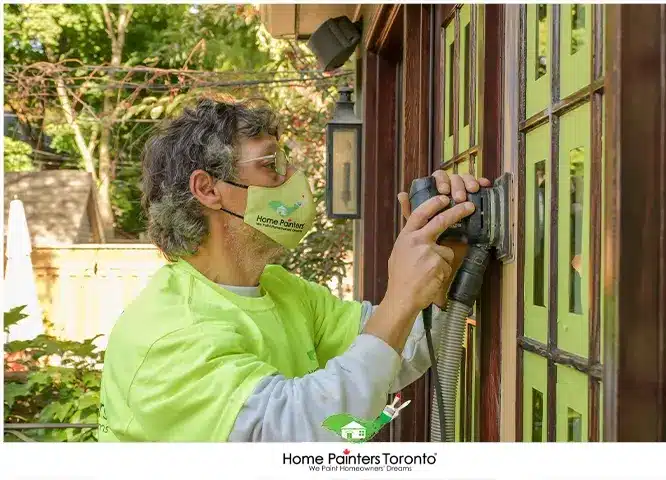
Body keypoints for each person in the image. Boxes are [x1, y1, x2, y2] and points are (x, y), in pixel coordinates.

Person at [98, 97, 491, 442]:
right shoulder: (167, 331)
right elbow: (302, 433)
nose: (292, 179)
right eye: (272, 164)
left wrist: (444, 250)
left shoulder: (280, 290)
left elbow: (393, 352)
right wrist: (401, 296)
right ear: (208, 189)